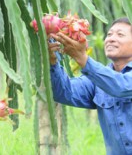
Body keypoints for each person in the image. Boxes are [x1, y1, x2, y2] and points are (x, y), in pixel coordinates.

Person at [48, 17, 132, 155]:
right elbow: (63, 92)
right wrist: (53, 60)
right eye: (109, 34)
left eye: (120, 34)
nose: (111, 38)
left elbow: (121, 87)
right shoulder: (96, 81)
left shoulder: (101, 77)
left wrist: (82, 58)